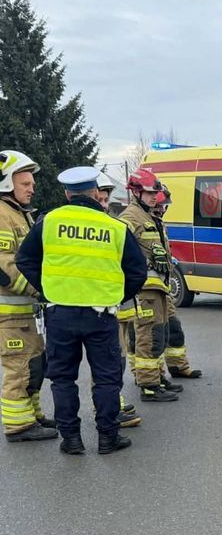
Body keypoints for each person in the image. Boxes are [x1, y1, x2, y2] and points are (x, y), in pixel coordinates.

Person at [15, 166, 147, 454]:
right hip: (101, 314)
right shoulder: (114, 227)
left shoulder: (48, 222)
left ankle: (71, 439)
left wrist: (48, 288)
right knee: (107, 377)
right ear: (96, 193)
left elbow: (24, 259)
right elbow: (138, 271)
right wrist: (117, 294)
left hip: (60, 313)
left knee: (63, 378)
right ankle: (107, 438)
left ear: (66, 193)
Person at [0, 150, 56, 442]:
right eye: (25, 184)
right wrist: (40, 288)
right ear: (7, 183)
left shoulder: (20, 215)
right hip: (10, 315)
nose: (32, 189)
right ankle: (18, 425)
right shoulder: (2, 215)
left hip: (26, 313)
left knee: (35, 365)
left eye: (32, 184)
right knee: (19, 368)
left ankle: (32, 415)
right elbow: (4, 267)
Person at [118, 168, 179, 403]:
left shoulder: (149, 216)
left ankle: (157, 377)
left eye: (156, 193)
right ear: (136, 192)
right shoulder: (130, 218)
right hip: (143, 289)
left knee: (159, 334)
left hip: (158, 288)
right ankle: (148, 385)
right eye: (150, 193)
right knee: (147, 336)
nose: (155, 197)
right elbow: (122, 251)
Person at [96, 172, 142, 429]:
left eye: (105, 200)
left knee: (117, 357)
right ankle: (109, 408)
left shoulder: (112, 226)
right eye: (99, 199)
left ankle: (115, 400)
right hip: (99, 308)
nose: (103, 204)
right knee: (106, 360)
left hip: (115, 304)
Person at [152, 185, 202, 380]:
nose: (163, 210)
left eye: (165, 206)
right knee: (152, 335)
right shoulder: (137, 220)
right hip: (146, 289)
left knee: (174, 329)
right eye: (161, 205)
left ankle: (179, 367)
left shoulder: (157, 221)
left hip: (162, 286)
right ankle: (150, 377)